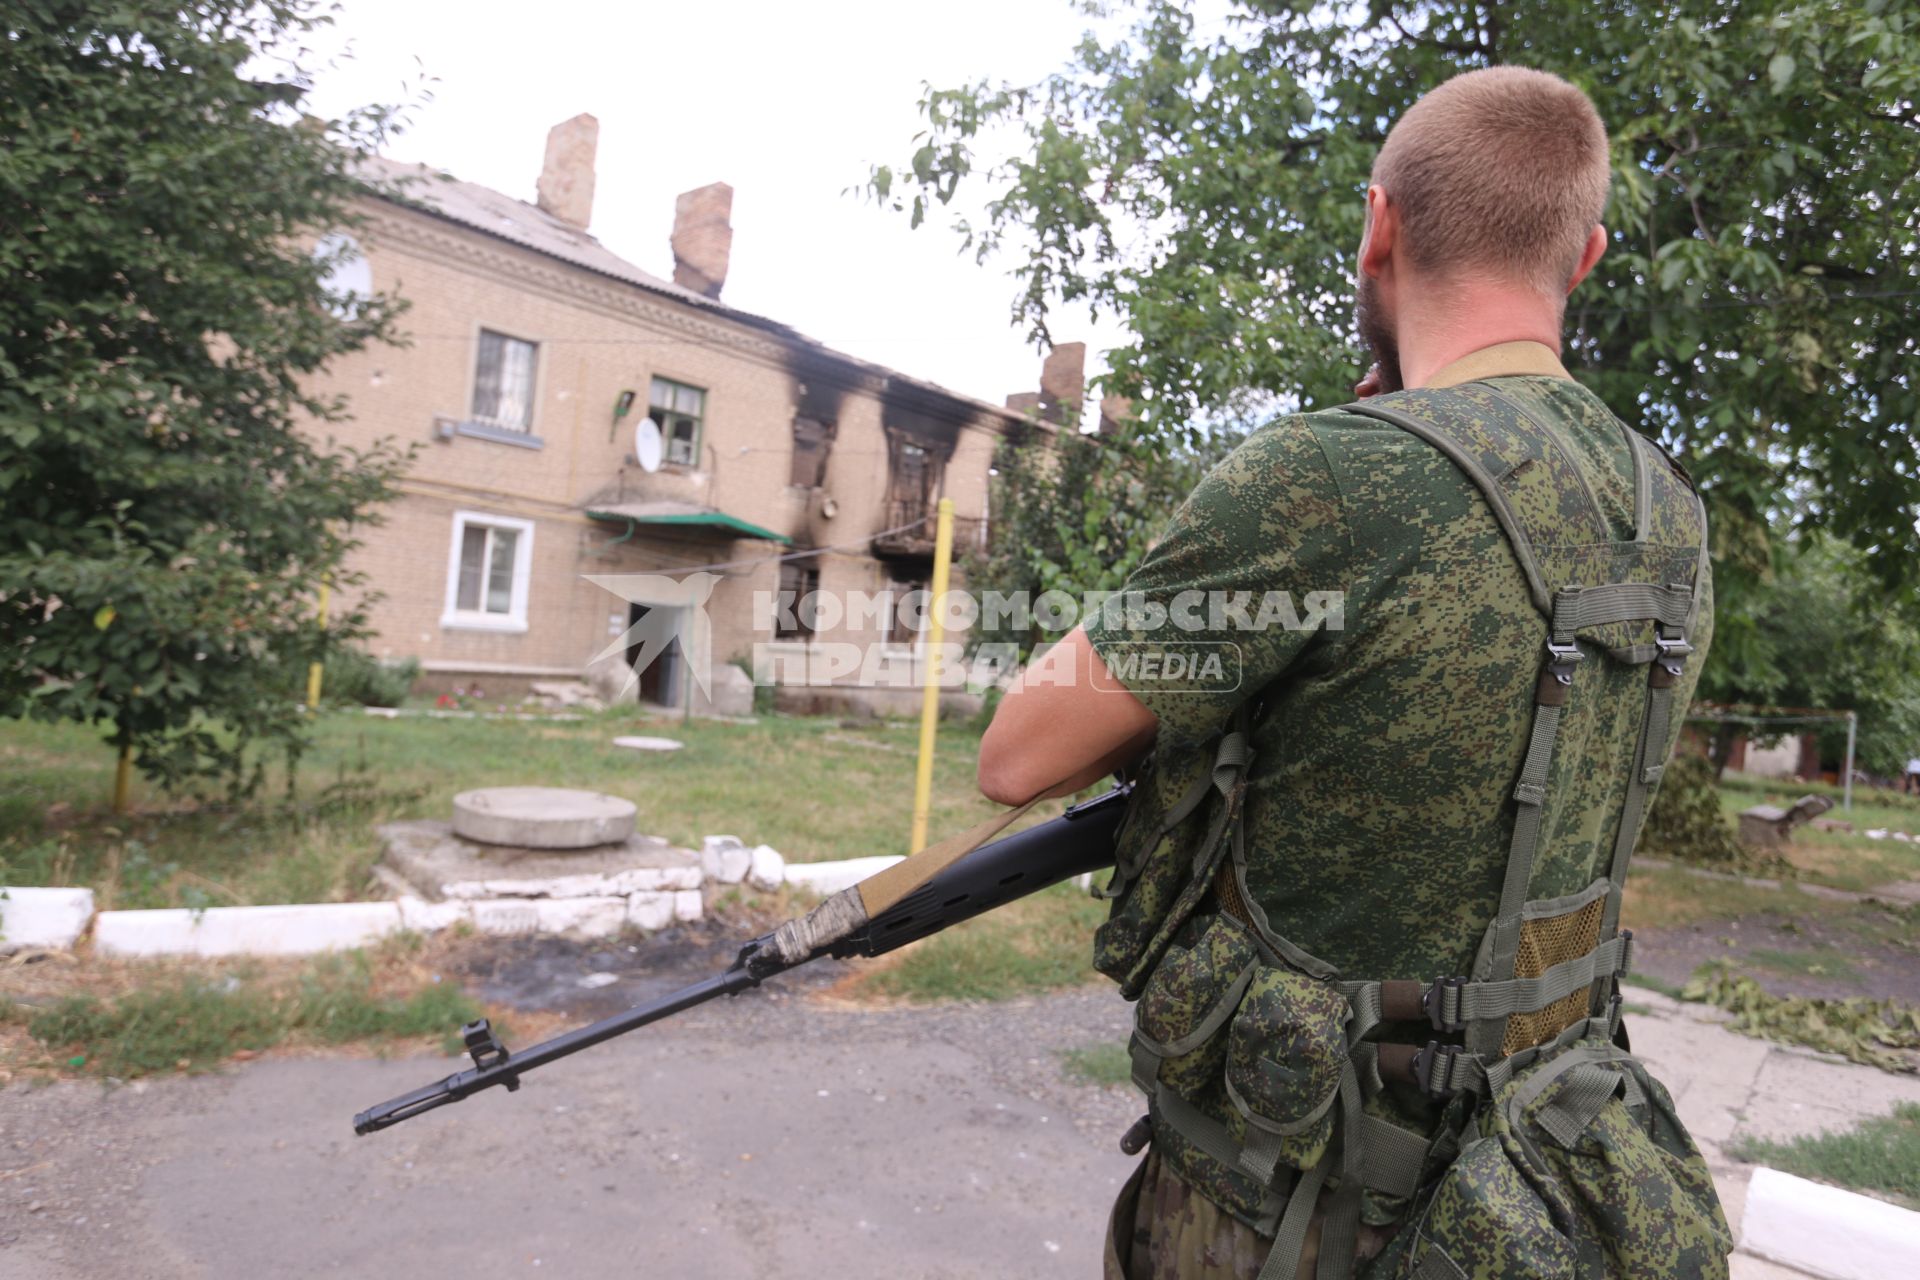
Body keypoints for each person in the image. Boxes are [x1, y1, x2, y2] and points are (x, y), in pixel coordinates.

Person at [978, 67, 1730, 1279]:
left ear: (1381, 225)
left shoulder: (1331, 478)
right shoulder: (1670, 510)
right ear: (1583, 257)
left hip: (1297, 1211)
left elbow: (1019, 753)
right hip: (1529, 1185)